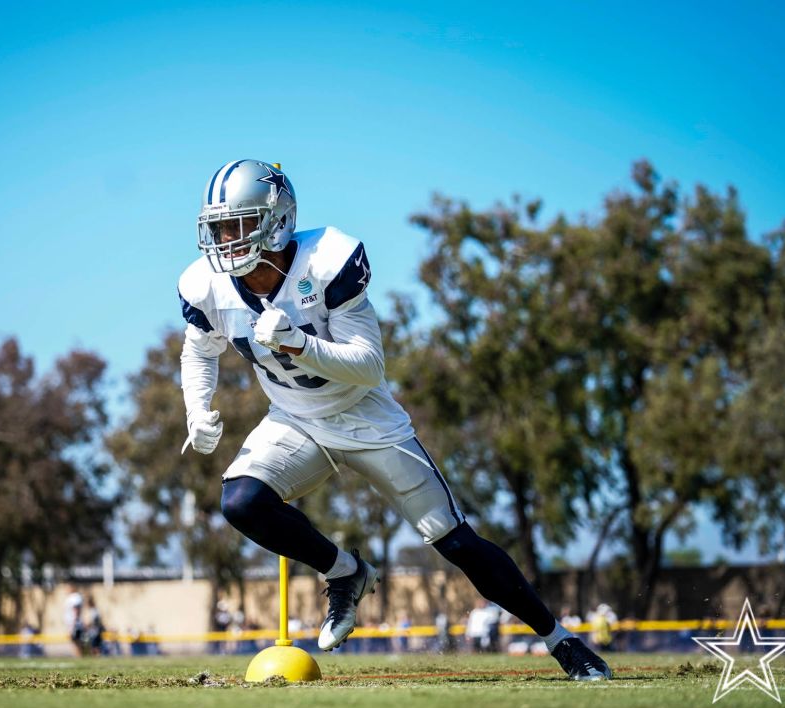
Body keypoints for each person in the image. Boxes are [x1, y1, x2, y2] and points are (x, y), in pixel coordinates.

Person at [177, 159, 612, 681]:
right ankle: (346, 572)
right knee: (242, 502)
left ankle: (561, 641)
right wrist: (196, 410)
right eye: (219, 226)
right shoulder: (206, 285)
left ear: (277, 220)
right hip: (294, 418)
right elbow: (198, 350)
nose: (225, 239)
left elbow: (368, 366)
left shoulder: (328, 260)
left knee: (455, 541)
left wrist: (297, 341)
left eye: (238, 224)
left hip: (366, 416)